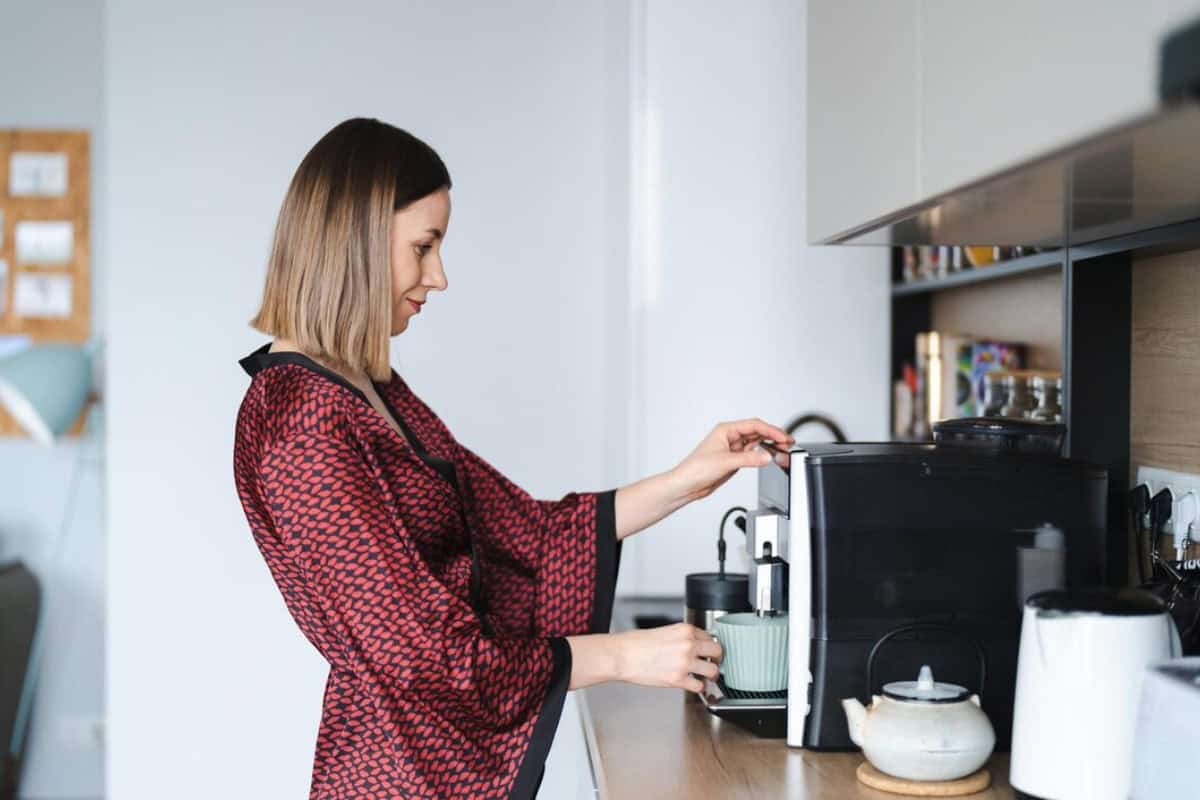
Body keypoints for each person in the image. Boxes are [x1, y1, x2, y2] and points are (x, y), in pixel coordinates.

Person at [231, 117, 796, 800]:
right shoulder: (302, 423)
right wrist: (622, 656)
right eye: (424, 246)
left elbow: (524, 532)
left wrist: (689, 478)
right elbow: (425, 660)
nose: (437, 276)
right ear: (356, 237)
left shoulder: (368, 387)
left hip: (427, 767)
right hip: (394, 777)